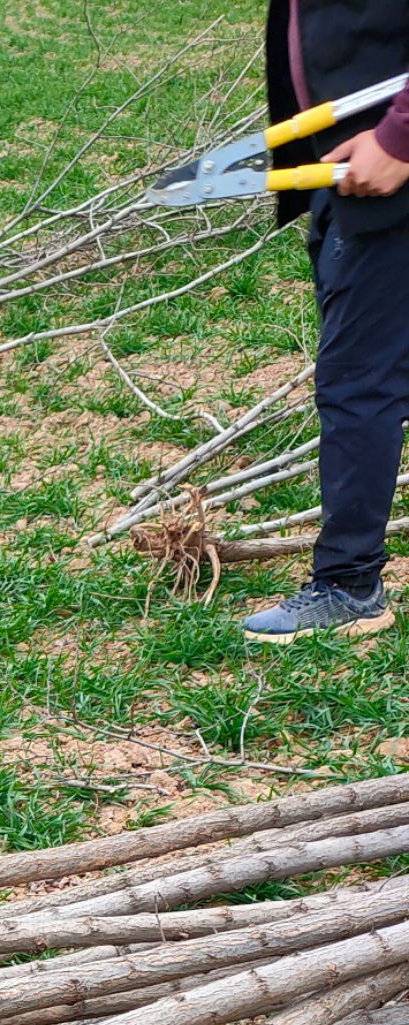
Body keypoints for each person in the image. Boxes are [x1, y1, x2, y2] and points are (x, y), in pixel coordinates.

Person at [241, 0, 409, 640]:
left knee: (358, 381)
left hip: (386, 176)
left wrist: (399, 136)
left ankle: (350, 583)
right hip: (343, 174)